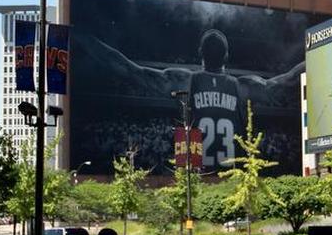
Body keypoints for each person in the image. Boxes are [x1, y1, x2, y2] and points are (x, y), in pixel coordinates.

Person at [82, 28, 304, 168]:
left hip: (195, 171)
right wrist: (316, 48)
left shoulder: (184, 80)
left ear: (200, 53)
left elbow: (131, 70)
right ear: (227, 56)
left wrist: (86, 39)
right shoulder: (243, 86)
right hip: (233, 173)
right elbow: (286, 82)